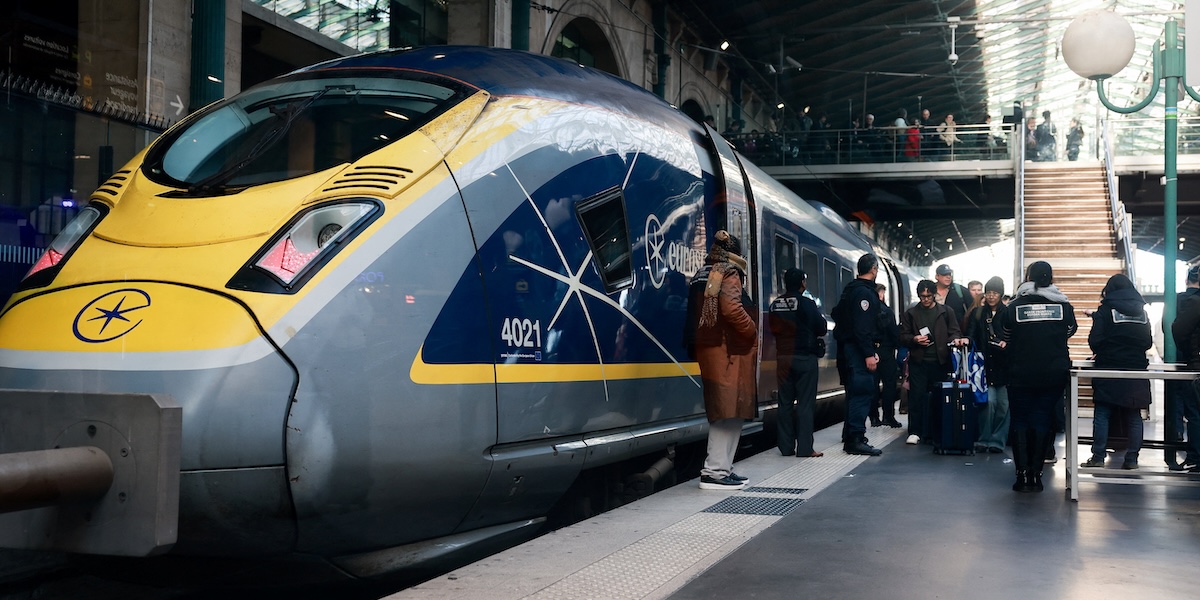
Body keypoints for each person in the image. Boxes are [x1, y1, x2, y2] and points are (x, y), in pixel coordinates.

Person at [686, 230, 758, 490]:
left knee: (727, 409)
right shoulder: (728, 271)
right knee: (727, 410)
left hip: (712, 348)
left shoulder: (703, 272)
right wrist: (752, 328)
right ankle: (715, 472)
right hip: (727, 350)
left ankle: (722, 468)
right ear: (735, 253)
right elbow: (731, 308)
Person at [1000, 261, 1077, 492]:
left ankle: (1022, 475)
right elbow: (1070, 330)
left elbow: (1005, 334)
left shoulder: (1014, 306)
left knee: (1020, 420)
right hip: (1052, 373)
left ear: (1029, 278)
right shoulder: (1063, 305)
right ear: (1051, 279)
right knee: (1043, 418)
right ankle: (1036, 475)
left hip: (1020, 373)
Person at [1081, 274, 1151, 470]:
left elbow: (1095, 341)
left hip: (1109, 367)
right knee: (1134, 414)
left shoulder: (1105, 310)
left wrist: (1106, 349)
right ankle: (1132, 459)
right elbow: (1147, 342)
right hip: (1136, 368)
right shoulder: (1142, 313)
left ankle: (1098, 457)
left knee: (1103, 413)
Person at [899, 279, 969, 445]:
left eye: (928, 296)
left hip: (940, 361)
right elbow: (902, 336)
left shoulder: (946, 312)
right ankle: (915, 431)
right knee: (916, 397)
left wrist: (954, 340)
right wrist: (914, 339)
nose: (925, 299)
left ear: (934, 295)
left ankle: (936, 431)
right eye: (922, 296)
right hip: (919, 361)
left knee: (939, 398)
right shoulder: (911, 313)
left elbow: (954, 331)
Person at [768, 268, 827, 458]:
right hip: (804, 358)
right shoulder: (807, 303)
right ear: (802, 283)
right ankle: (805, 448)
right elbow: (821, 328)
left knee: (784, 403)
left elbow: (773, 329)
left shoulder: (775, 305)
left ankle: (786, 448)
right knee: (805, 404)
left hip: (783, 359)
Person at [833, 254, 885, 456]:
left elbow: (836, 313)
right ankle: (855, 439)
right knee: (861, 393)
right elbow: (862, 327)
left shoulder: (849, 290)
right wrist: (868, 353)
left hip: (846, 349)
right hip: (857, 351)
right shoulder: (864, 293)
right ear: (873, 269)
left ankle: (849, 436)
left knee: (853, 393)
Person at [966, 276, 1010, 453]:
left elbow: (1015, 336)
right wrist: (966, 340)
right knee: (988, 403)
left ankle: (998, 441)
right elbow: (971, 333)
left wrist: (1007, 344)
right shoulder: (978, 313)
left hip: (1004, 366)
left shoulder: (1008, 313)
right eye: (989, 292)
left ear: (1001, 294)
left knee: (1003, 406)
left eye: (995, 293)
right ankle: (984, 439)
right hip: (984, 366)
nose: (991, 296)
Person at [1168, 264, 1200, 471]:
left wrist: (1189, 352)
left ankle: (1195, 455)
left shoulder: (1190, 302)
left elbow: (1177, 329)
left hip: (1193, 363)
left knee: (1194, 411)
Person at [871, 283, 903, 428]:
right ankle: (888, 416)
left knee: (873, 386)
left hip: (870, 352)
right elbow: (893, 332)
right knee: (889, 385)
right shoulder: (887, 311)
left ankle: (874, 417)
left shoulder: (866, 310)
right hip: (885, 351)